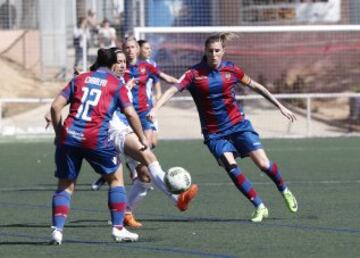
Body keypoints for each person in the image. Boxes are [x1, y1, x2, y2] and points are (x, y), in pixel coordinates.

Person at [148, 33, 298, 223]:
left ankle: (284, 190)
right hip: (214, 133)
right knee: (231, 167)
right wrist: (155, 108)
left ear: (223, 51)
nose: (213, 54)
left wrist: (280, 106)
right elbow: (172, 90)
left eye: (217, 51)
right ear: (205, 51)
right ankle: (259, 206)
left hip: (238, 125)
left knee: (263, 164)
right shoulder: (194, 74)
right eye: (210, 51)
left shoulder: (232, 70)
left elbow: (257, 86)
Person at [91, 48, 198, 228]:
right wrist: (141, 136)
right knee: (148, 155)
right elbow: (108, 103)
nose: (123, 65)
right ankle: (178, 197)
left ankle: (126, 212)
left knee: (144, 178)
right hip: (114, 129)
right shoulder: (108, 80)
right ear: (110, 64)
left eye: (124, 61)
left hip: (122, 127)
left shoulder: (119, 79)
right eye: (119, 61)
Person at [48, 48, 143, 245]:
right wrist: (141, 138)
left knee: (65, 186)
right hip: (95, 138)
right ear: (112, 65)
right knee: (116, 179)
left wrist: (59, 134)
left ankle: (57, 231)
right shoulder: (116, 84)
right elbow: (132, 114)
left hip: (69, 136)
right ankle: (118, 228)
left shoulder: (80, 79)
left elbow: (55, 107)